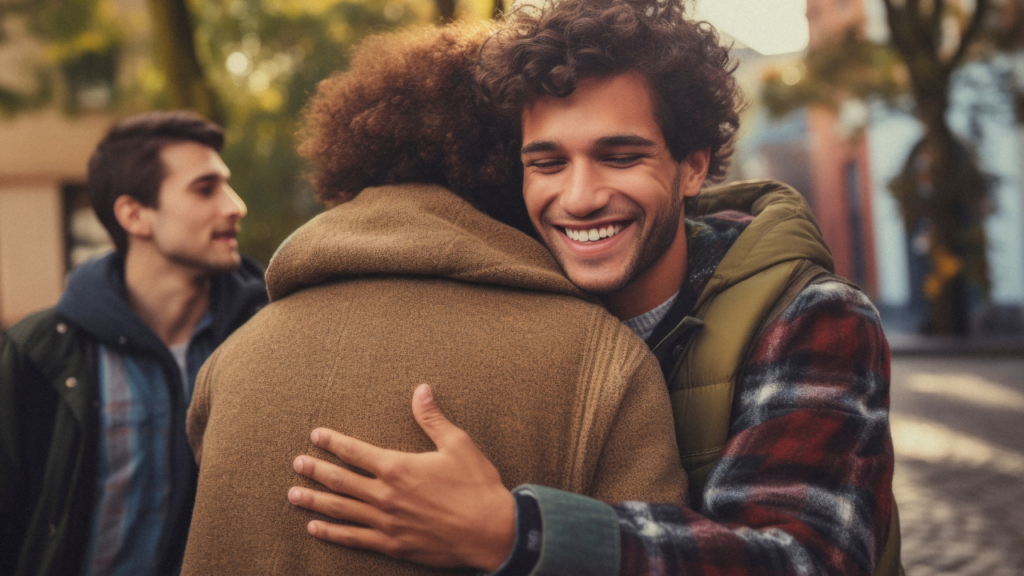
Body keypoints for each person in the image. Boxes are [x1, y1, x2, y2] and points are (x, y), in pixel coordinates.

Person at [286, 1, 902, 575]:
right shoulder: (516, 309)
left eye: (620, 156)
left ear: (691, 166)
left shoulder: (813, 317)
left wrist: (516, 531)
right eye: (547, 163)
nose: (579, 198)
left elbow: (804, 559)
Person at [179, 23, 687, 576]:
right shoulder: (604, 362)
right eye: (548, 162)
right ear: (507, 166)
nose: (578, 195)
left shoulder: (231, 360)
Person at [0, 111, 267, 576]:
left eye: (227, 185)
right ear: (134, 214)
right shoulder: (37, 352)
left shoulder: (266, 340)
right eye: (205, 189)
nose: (235, 205)